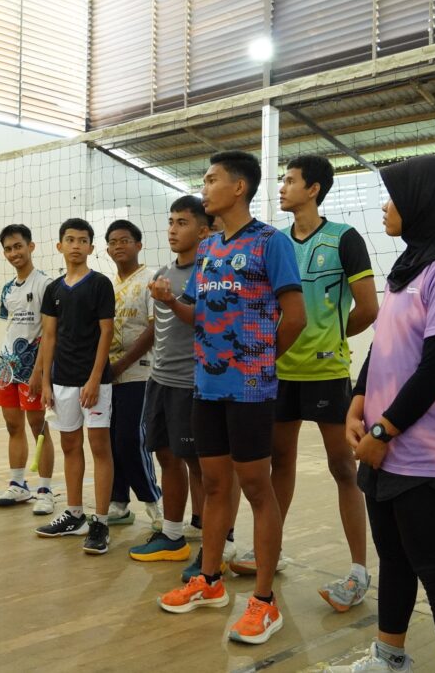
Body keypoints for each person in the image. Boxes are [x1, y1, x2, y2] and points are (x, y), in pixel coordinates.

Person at [332, 154, 435, 672]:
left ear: (425, 204)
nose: (385, 206)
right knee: (394, 558)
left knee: (433, 565)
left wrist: (383, 428)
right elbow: (383, 347)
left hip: (419, 445)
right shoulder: (409, 268)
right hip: (381, 441)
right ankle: (388, 657)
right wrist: (358, 402)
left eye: (394, 197)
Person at [152, 150, 306, 646]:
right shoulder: (211, 249)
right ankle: (210, 581)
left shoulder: (270, 243)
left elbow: (296, 317)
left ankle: (263, 601)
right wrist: (172, 302)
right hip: (207, 386)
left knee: (257, 488)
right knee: (216, 486)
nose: (205, 186)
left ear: (238, 187)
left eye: (212, 179)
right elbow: (200, 316)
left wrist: (259, 362)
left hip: (250, 388)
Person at [243, 155, 378, 611]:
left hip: (327, 372)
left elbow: (368, 309)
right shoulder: (275, 242)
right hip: (280, 371)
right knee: (279, 461)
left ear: (314, 189)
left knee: (344, 467)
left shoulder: (344, 239)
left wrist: (330, 337)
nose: (281, 187)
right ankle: (271, 552)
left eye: (290, 180)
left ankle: (359, 570)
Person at [129, 196, 212, 564]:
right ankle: (173, 535)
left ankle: (212, 540)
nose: (173, 229)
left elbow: (203, 322)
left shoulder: (210, 272)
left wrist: (171, 301)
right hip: (159, 381)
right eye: (171, 221)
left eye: (182, 222)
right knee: (166, 457)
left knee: (199, 463)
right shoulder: (163, 272)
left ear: (203, 230)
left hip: (190, 384)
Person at [35, 217, 116, 555]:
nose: (76, 245)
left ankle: (100, 522)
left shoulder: (100, 284)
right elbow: (49, 336)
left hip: (93, 382)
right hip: (62, 381)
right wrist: (45, 381)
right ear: (60, 246)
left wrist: (95, 378)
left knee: (99, 447)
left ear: (91, 248)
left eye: (83, 240)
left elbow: (107, 332)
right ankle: (74, 514)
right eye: (70, 239)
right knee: (70, 447)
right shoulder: (53, 289)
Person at [0, 224, 58, 515]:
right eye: (8, 248)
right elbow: (11, 325)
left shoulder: (45, 284)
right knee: (12, 425)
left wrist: (40, 372)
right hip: (8, 366)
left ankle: (45, 489)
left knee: (38, 426)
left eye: (18, 246)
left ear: (31, 247)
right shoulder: (8, 289)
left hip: (34, 368)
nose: (13, 253)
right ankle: (18, 485)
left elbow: (49, 331)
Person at [104, 219, 163, 529]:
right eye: (113, 242)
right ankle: (118, 502)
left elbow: (153, 329)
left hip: (139, 373)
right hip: (108, 376)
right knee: (111, 440)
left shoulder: (151, 279)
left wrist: (122, 364)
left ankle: (155, 503)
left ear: (138, 245)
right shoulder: (108, 285)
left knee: (130, 438)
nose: (118, 246)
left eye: (125, 240)